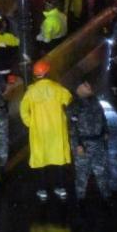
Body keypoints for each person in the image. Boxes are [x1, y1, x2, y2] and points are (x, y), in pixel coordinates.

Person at [20, 60, 73, 203]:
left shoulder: (31, 91)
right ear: (48, 73)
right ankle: (60, 188)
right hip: (56, 130)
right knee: (58, 159)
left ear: (35, 75)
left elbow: (23, 110)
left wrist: (30, 123)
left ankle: (42, 190)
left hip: (39, 131)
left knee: (40, 160)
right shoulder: (57, 88)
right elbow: (68, 99)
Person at [67, 79, 112, 203]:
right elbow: (72, 129)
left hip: (98, 142)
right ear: (78, 89)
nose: (89, 86)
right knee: (82, 175)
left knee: (102, 172)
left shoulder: (95, 101)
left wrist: (106, 131)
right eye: (85, 85)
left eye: (88, 83)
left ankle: (106, 198)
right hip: (84, 145)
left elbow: (103, 118)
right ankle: (80, 201)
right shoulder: (74, 106)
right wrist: (77, 146)